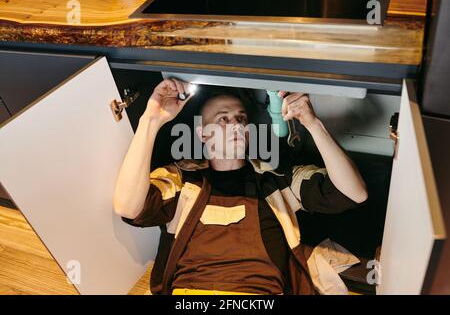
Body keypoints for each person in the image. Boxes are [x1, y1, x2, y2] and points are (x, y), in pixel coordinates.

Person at [113, 78, 368, 295]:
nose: (236, 124)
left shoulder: (275, 179)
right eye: (223, 119)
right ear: (203, 134)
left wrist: (313, 123)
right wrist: (151, 119)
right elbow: (128, 207)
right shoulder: (183, 179)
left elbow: (353, 193)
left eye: (241, 118)